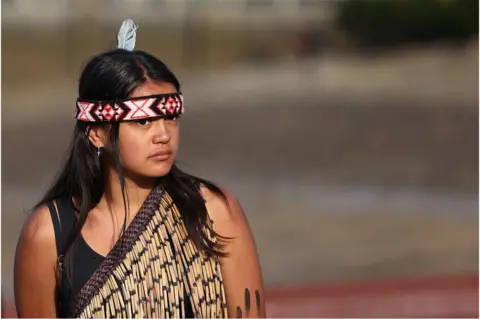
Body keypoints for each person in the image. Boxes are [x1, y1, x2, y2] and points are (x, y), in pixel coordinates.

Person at [14, 19, 265, 318]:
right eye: (143, 121)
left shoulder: (214, 212)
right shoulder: (47, 235)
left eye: (171, 118)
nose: (164, 134)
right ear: (97, 133)